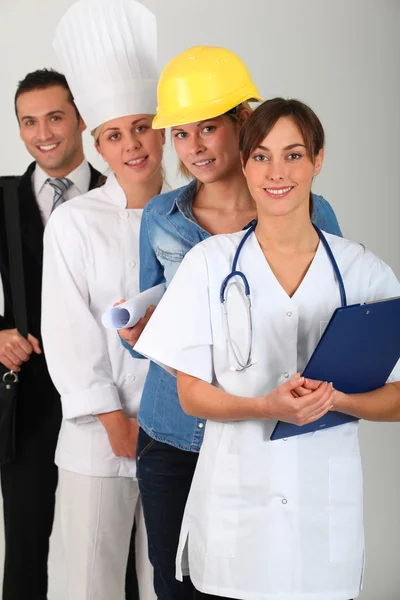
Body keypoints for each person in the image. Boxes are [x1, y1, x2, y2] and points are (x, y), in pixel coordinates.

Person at [134, 97, 400, 600]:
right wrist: (264, 407)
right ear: (245, 162)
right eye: (261, 156)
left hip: (322, 516)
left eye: (294, 155)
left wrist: (338, 401)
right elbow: (190, 394)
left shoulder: (364, 272)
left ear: (318, 161)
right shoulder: (209, 265)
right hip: (237, 513)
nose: (277, 172)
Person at [119, 47, 343, 600]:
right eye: (180, 135)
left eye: (208, 129)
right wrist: (140, 336)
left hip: (260, 430)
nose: (193, 148)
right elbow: (151, 332)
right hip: (171, 435)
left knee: (257, 583)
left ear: (243, 124)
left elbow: (330, 316)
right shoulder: (160, 218)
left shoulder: (305, 209)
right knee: (177, 586)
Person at [41, 1, 163, 599]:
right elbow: (67, 330)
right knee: (92, 585)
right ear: (98, 142)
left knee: (170, 582)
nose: (132, 145)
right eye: (114, 135)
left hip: (181, 429)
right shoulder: (74, 222)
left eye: (142, 126)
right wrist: (113, 419)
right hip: (98, 438)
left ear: (163, 126)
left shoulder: (199, 211)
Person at [0, 68, 101, 600]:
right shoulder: (1, 197)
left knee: (118, 544)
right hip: (28, 399)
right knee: (24, 546)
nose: (43, 132)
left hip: (108, 396)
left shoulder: (120, 195)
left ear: (80, 119)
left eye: (55, 117)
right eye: (29, 122)